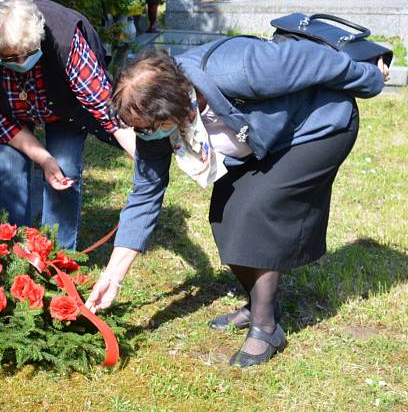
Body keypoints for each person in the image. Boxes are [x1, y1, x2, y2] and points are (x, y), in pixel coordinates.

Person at [85, 36, 389, 367]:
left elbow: (315, 60)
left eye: (149, 129)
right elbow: (144, 195)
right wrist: (113, 277)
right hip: (265, 144)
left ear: (175, 108)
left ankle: (266, 327)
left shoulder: (239, 68)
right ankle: (260, 303)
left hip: (317, 128)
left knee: (258, 209)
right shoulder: (152, 120)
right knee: (225, 213)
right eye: (138, 130)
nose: (144, 136)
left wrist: (371, 78)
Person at [0, 0, 136, 250]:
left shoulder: (66, 41)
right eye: (10, 57)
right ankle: (10, 257)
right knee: (8, 171)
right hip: (12, 114)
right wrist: (44, 159)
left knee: (64, 167)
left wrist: (143, 155)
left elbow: (104, 108)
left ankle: (59, 256)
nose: (21, 61)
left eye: (28, 52)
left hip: (64, 106)